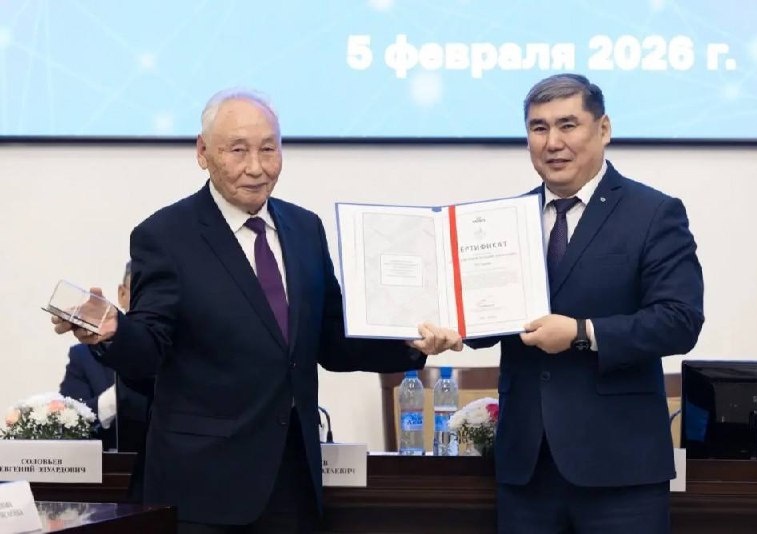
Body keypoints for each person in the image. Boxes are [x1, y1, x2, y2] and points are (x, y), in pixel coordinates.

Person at [52, 88, 462, 533]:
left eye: (268, 149)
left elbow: (332, 341)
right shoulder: (166, 235)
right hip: (204, 488)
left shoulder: (304, 228)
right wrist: (114, 331)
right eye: (238, 150)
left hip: (293, 483)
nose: (256, 166)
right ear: (203, 153)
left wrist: (408, 341)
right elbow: (150, 346)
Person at [469, 74, 704, 533]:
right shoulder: (501, 223)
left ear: (604, 128)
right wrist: (449, 326)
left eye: (567, 125)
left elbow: (679, 320)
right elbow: (486, 319)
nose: (552, 142)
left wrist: (582, 333)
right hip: (526, 471)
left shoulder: (653, 213)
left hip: (622, 472)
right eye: (538, 128)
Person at [58, 261, 150, 453]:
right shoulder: (84, 356)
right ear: (122, 294)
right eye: (140, 291)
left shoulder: (182, 358)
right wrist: (112, 400)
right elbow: (66, 424)